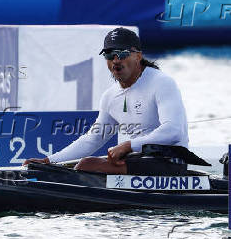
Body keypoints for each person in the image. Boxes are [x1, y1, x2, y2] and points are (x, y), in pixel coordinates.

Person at [23, 27, 188, 174]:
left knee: (87, 165)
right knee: (71, 167)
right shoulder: (110, 96)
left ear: (138, 56)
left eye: (122, 54)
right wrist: (49, 161)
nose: (116, 60)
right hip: (137, 160)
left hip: (170, 162)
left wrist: (128, 145)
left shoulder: (161, 83)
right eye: (110, 55)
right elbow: (93, 139)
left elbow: (173, 131)